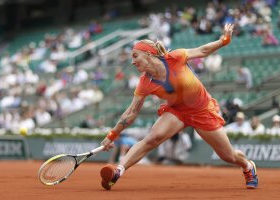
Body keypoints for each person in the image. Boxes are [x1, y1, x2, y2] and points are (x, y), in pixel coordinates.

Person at [99, 24, 258, 190]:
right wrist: (112, 135)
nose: (132, 61)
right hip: (177, 111)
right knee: (152, 138)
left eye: (135, 56)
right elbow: (131, 113)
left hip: (202, 110)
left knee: (228, 156)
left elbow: (202, 51)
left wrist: (224, 40)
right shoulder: (144, 83)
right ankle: (118, 171)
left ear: (148, 54)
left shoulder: (175, 57)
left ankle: (247, 166)